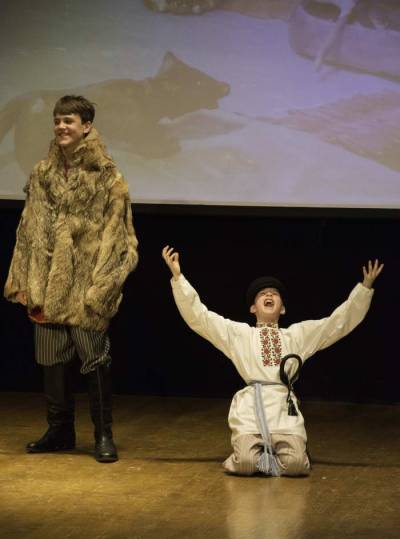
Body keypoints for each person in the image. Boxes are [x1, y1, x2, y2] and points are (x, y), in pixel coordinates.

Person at [162, 246, 383, 477]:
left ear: (283, 308)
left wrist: (364, 288)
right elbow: (201, 317)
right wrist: (178, 277)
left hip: (282, 409)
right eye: (262, 294)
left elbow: (335, 324)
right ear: (253, 307)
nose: (269, 296)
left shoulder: (296, 335)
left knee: (296, 466)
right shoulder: (240, 334)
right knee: (245, 463)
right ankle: (259, 456)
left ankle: (281, 454)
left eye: (274, 294)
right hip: (251, 410)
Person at [4, 95, 139, 463]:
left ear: (86, 126)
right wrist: (21, 280)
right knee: (50, 358)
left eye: (69, 121)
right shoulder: (42, 173)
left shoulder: (107, 176)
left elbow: (120, 238)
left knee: (94, 359)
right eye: (58, 120)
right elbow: (27, 230)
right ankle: (60, 431)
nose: (61, 127)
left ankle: (103, 434)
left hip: (85, 286)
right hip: (46, 283)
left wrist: (102, 287)